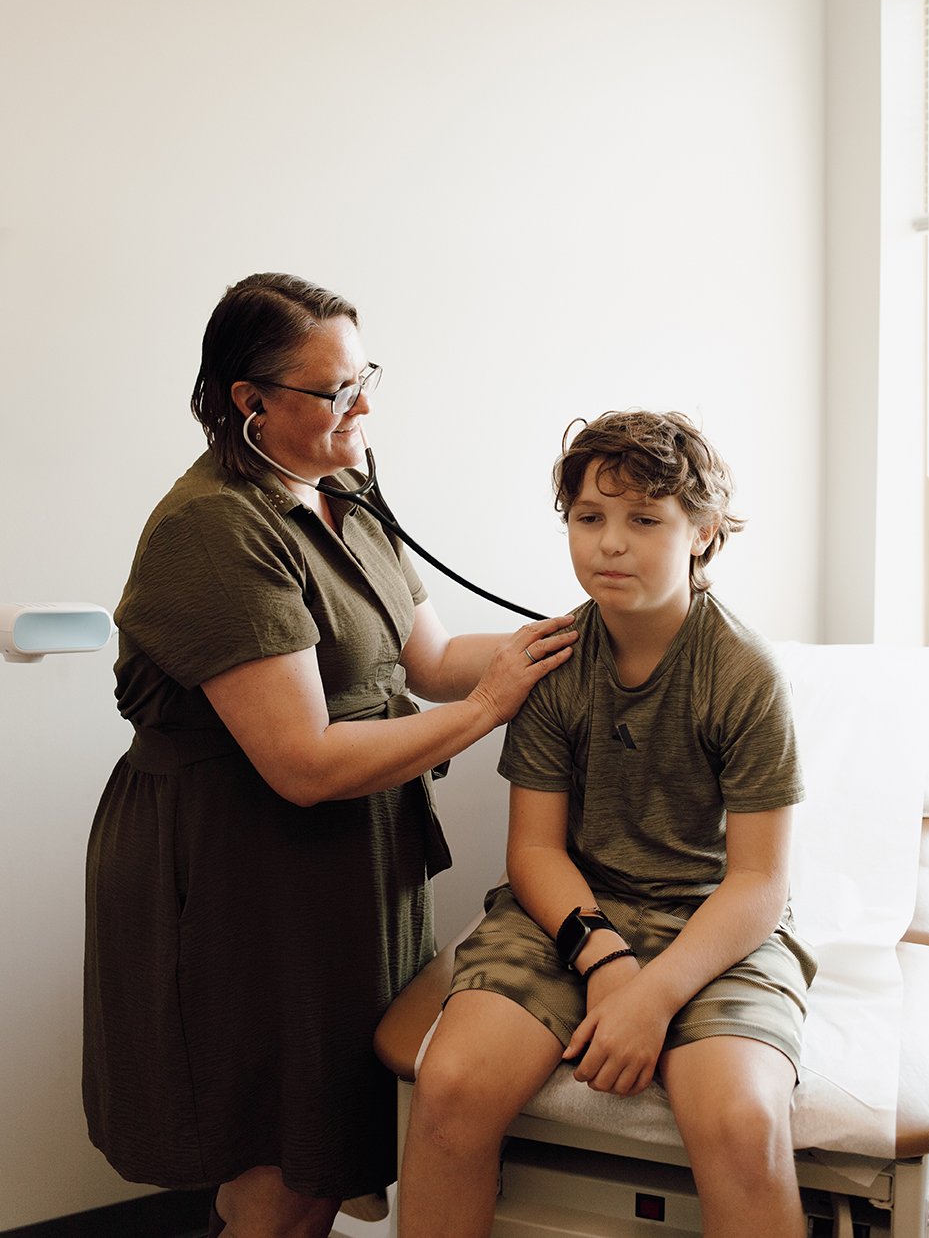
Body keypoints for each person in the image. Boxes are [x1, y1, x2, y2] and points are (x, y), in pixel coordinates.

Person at [82, 273, 576, 1238]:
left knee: (324, 1137)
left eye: (366, 377)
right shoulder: (215, 527)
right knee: (278, 1163)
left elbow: (427, 659)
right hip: (236, 870)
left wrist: (572, 642)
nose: (363, 406)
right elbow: (302, 760)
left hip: (350, 855)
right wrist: (491, 707)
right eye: (334, 389)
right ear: (250, 401)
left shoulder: (342, 485)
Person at [399, 409, 817, 1238]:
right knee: (450, 1089)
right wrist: (605, 960)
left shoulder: (743, 674)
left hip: (715, 920)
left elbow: (759, 882)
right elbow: (534, 852)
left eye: (644, 520)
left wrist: (653, 996)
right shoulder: (555, 662)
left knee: (743, 1127)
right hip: (569, 908)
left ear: (701, 534)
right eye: (589, 518)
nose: (610, 543)